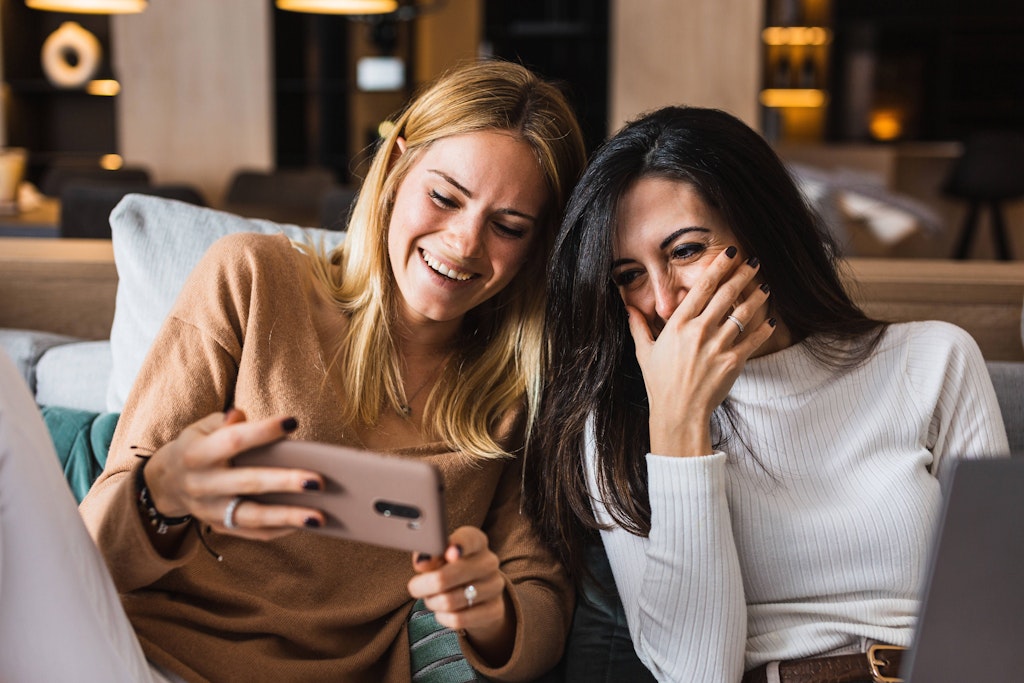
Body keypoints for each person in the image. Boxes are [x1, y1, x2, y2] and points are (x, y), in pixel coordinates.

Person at [0, 60, 586, 683]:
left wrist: (486, 608)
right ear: (394, 169)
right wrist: (160, 491)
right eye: (444, 197)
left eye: (508, 227)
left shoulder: (521, 389)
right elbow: (93, 551)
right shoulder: (252, 279)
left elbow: (541, 595)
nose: (465, 243)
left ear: (537, 244)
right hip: (138, 658)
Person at [526, 106, 1009, 683]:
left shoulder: (933, 361)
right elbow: (695, 674)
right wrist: (680, 426)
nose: (662, 301)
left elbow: (994, 623)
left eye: (684, 251)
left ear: (763, 234)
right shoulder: (614, 425)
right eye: (629, 274)